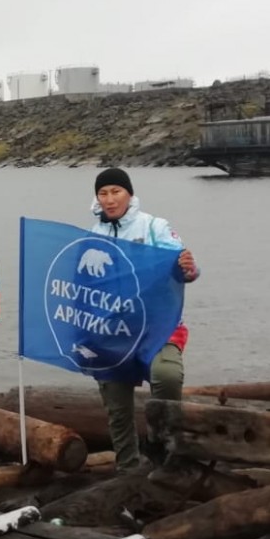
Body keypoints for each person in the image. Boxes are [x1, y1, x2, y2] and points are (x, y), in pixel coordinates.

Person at [88, 168, 199, 472]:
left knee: (167, 375)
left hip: (158, 326)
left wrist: (189, 269)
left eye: (116, 191)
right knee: (115, 398)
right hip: (115, 329)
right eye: (103, 193)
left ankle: (163, 448)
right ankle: (126, 468)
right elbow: (84, 286)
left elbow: (182, 269)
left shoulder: (154, 226)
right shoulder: (92, 236)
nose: (110, 199)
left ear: (130, 194)